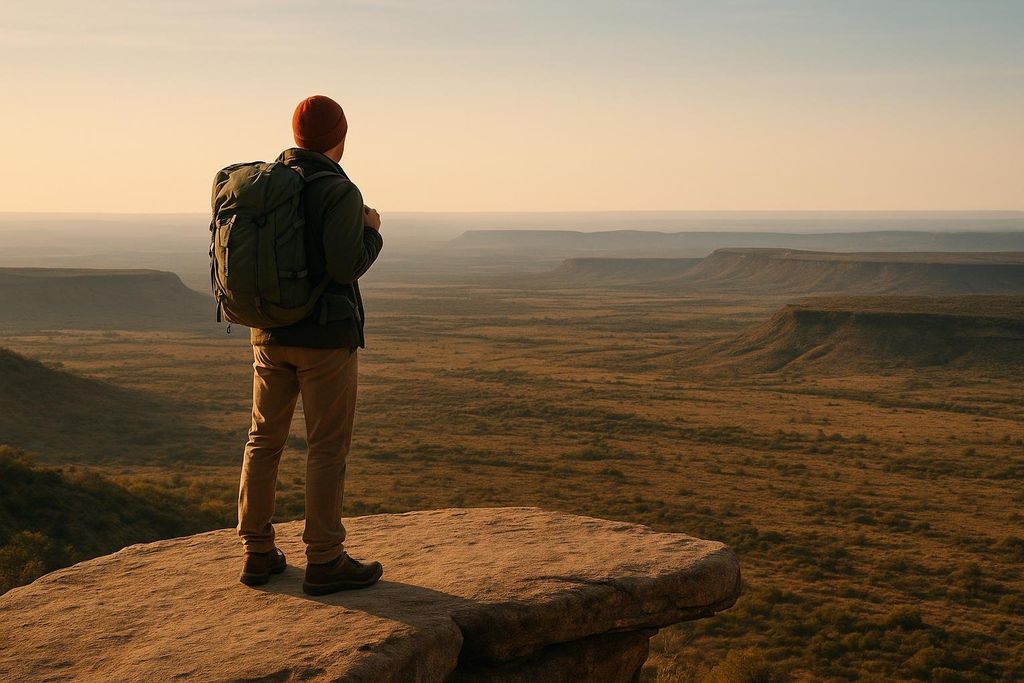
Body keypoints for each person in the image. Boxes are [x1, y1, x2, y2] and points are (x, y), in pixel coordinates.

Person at [236, 95, 384, 595]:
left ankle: (257, 551)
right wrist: (372, 233)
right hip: (324, 338)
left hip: (269, 334)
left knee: (264, 439)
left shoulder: (268, 183)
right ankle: (324, 558)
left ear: (296, 135)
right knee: (325, 448)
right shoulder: (337, 188)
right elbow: (345, 266)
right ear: (340, 137)